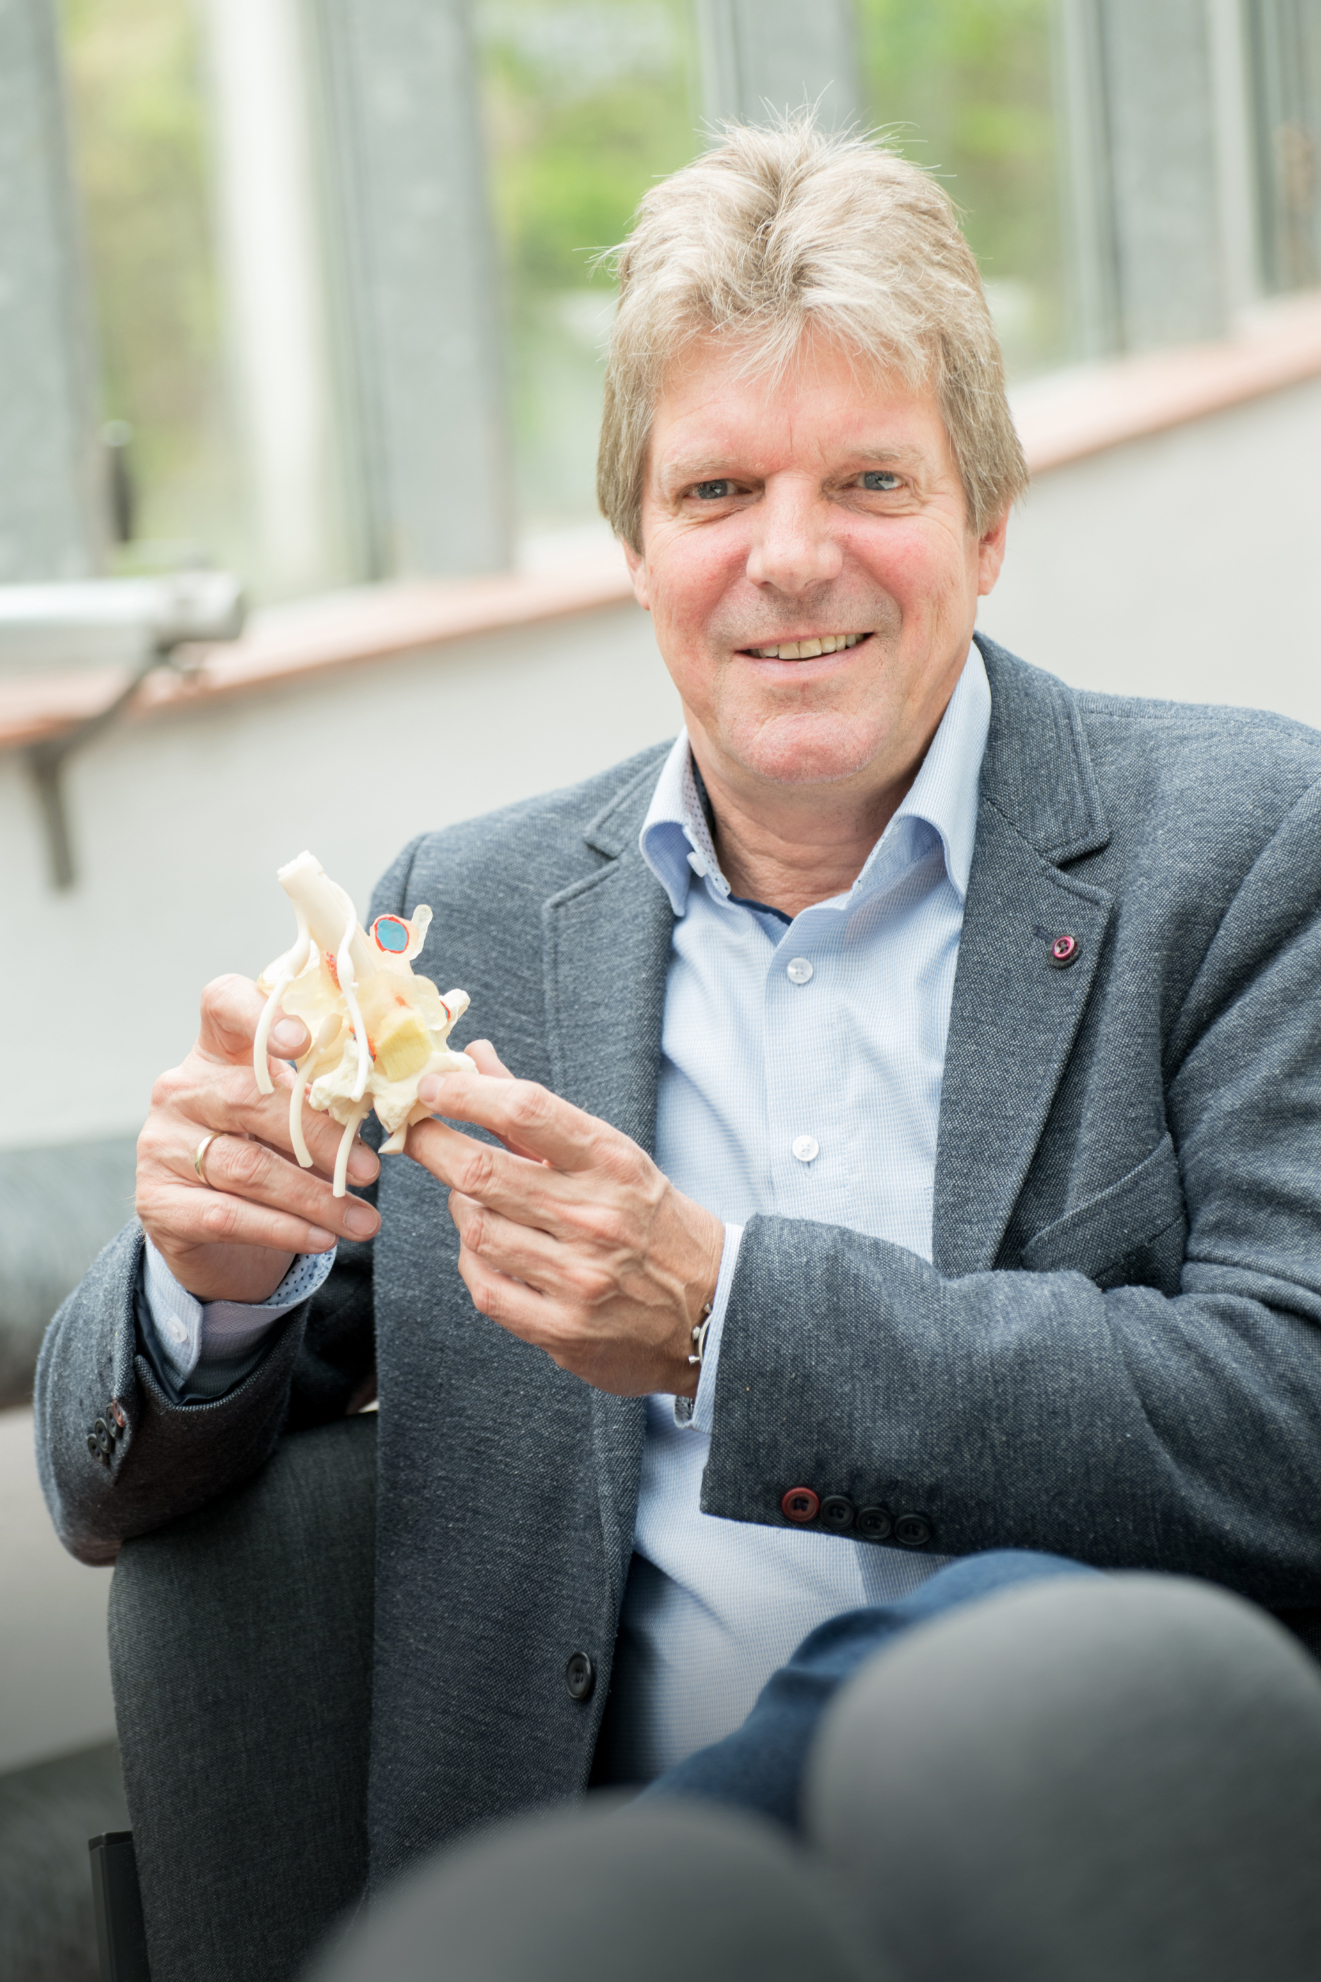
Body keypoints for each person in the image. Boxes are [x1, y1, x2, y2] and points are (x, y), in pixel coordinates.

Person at [36, 121, 1321, 1892]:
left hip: (1073, 1881)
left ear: (988, 523)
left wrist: (726, 1320)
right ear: (637, 548)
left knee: (1012, 1627)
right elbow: (114, 1487)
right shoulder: (464, 910)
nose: (787, 560)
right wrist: (208, 1277)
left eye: (868, 482)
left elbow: (1294, 1420)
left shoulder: (1246, 844)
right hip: (574, 1860)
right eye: (716, 492)